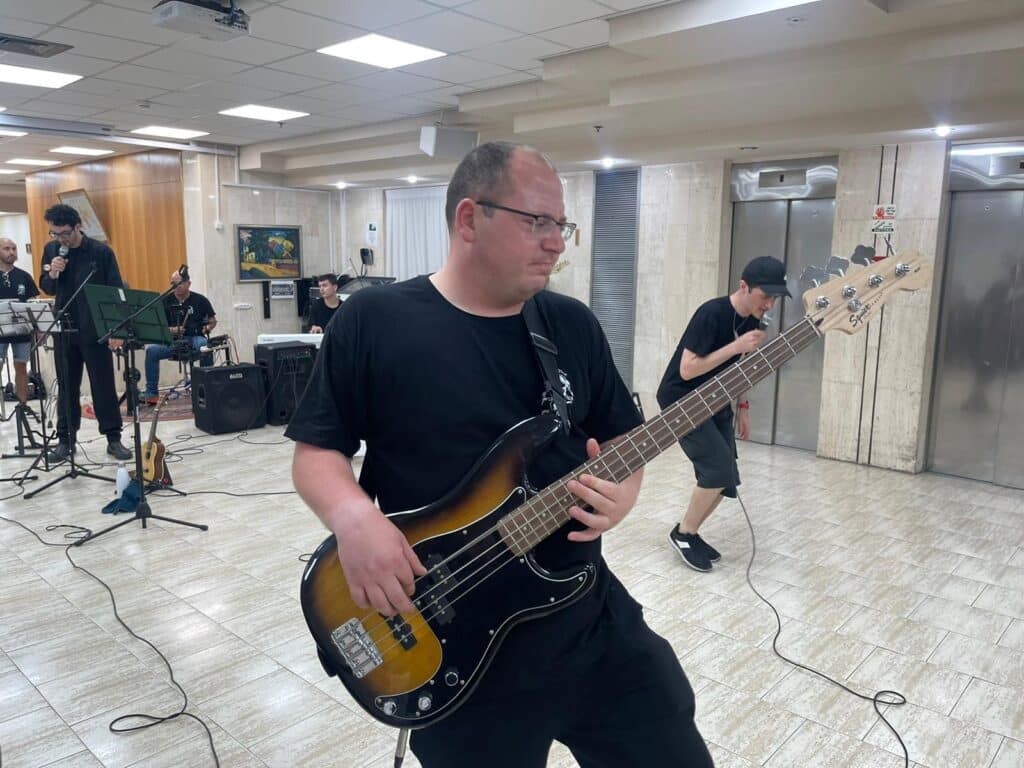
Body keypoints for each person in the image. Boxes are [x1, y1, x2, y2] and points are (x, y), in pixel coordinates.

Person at [286, 141, 713, 768]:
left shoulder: (571, 324)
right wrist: (354, 520)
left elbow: (623, 434)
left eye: (561, 225)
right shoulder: (374, 320)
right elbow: (315, 453)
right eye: (537, 221)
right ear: (469, 219)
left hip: (583, 615)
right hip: (455, 644)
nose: (556, 242)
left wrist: (624, 492)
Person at [657, 255, 790, 572]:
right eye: (765, 296)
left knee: (727, 476)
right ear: (744, 286)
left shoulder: (753, 320)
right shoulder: (712, 313)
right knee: (716, 469)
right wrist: (736, 346)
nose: (769, 304)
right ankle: (683, 534)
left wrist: (742, 406)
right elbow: (687, 369)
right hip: (683, 399)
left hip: (716, 399)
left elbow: (739, 368)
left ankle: (691, 532)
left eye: (775, 298)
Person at [39, 203, 132, 462]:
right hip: (64, 328)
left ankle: (113, 438)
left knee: (103, 386)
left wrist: (116, 329)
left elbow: (115, 290)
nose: (60, 239)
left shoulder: (100, 252)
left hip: (95, 329)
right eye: (55, 233)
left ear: (78, 226)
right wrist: (53, 272)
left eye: (65, 233)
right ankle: (65, 440)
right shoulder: (51, 250)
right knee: (67, 387)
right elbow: (46, 287)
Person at [143, 270, 216, 404]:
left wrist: (208, 328)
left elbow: (212, 321)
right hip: (172, 342)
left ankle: (207, 388)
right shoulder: (165, 301)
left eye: (179, 283)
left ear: (188, 283)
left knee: (205, 346)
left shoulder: (200, 300)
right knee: (152, 351)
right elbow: (158, 327)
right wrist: (172, 330)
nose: (176, 286)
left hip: (194, 338)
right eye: (173, 283)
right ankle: (152, 393)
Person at [0, 237, 40, 406]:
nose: (11, 252)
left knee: (21, 367)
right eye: (6, 248)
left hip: (21, 330)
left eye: (14, 248)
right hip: (0, 330)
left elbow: (33, 305)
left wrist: (39, 329)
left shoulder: (24, 276)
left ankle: (22, 406)